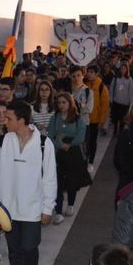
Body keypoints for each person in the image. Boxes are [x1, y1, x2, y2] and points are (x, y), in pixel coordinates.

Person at [0, 100, 57, 265]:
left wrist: (48, 208)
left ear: (21, 120)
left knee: (30, 248)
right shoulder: (3, 142)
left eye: (9, 117)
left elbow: (50, 178)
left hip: (32, 210)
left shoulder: (44, 144)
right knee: (14, 251)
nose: (4, 120)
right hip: (8, 210)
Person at [48, 92, 88, 224]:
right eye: (59, 103)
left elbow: (80, 136)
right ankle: (58, 211)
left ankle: (70, 203)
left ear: (70, 103)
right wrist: (60, 144)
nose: (61, 105)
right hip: (59, 154)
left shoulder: (77, 119)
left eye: (64, 102)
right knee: (58, 182)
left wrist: (68, 144)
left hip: (74, 154)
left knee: (72, 180)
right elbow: (51, 135)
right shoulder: (55, 118)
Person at [86, 65, 110, 170]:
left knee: (92, 142)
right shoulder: (84, 84)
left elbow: (105, 107)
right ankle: (84, 159)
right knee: (84, 141)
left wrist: (102, 122)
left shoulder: (101, 88)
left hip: (95, 120)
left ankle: (91, 161)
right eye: (88, 72)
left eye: (92, 72)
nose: (89, 74)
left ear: (96, 74)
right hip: (84, 119)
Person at [109, 64, 133, 136]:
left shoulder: (129, 79)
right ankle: (115, 129)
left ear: (127, 70)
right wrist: (111, 98)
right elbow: (112, 89)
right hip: (116, 101)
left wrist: (131, 102)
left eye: (124, 69)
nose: (123, 70)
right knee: (116, 117)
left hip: (125, 102)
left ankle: (121, 131)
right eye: (122, 68)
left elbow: (131, 91)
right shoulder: (116, 78)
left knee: (122, 119)